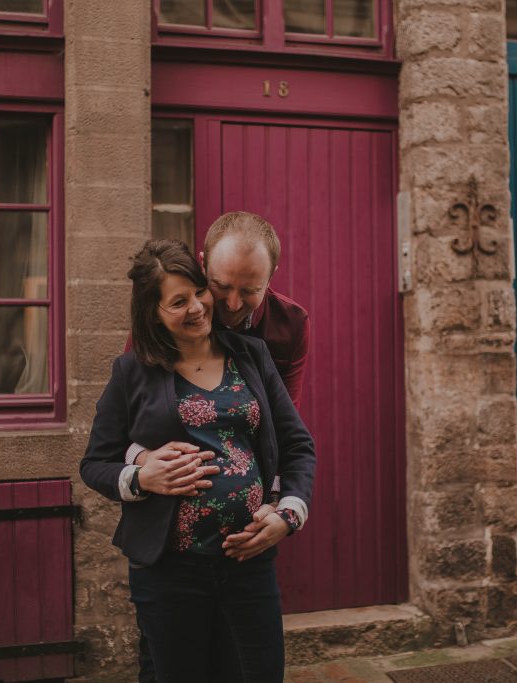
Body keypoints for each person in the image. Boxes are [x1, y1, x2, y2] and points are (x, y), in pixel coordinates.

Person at [80, 239, 316, 683]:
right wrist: (141, 475)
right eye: (178, 301)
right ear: (154, 312)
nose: (198, 307)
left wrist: (289, 512)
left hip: (249, 560)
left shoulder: (252, 355)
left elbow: (297, 444)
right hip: (171, 569)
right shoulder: (132, 371)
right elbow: (96, 463)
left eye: (197, 293)